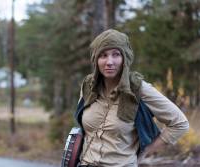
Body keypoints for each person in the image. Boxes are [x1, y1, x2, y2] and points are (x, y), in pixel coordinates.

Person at [74, 29, 189, 167]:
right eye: (103, 55)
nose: (109, 62)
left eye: (116, 55)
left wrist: (146, 151)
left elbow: (180, 124)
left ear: (125, 58)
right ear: (96, 59)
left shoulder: (139, 89)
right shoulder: (88, 86)